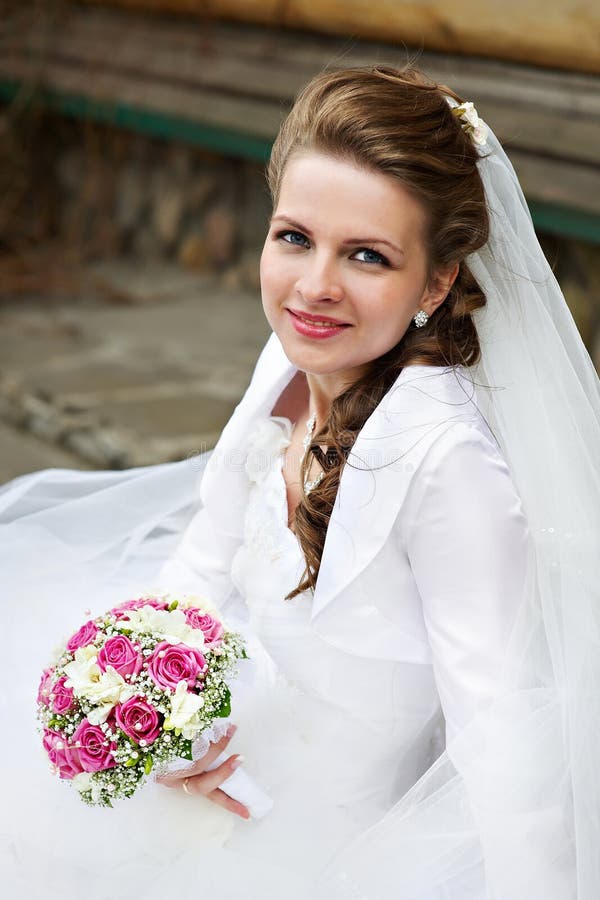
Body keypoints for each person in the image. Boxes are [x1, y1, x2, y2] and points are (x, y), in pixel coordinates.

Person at [1, 64, 599, 900]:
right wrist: (168, 728)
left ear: (435, 282)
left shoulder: (446, 465)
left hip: (342, 857)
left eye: (367, 255)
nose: (316, 286)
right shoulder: (287, 360)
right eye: (294, 238)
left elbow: (504, 745)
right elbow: (199, 571)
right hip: (225, 801)